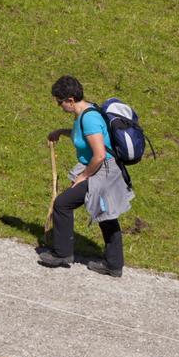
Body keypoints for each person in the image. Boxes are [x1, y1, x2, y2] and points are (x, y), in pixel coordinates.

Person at [39, 75, 133, 276]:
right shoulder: (85, 112)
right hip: (103, 168)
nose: (59, 106)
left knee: (63, 203)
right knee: (105, 214)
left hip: (104, 170)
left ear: (71, 100)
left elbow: (98, 155)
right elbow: (84, 136)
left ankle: (62, 253)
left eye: (60, 102)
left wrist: (83, 176)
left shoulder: (89, 117)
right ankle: (114, 264)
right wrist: (61, 132)